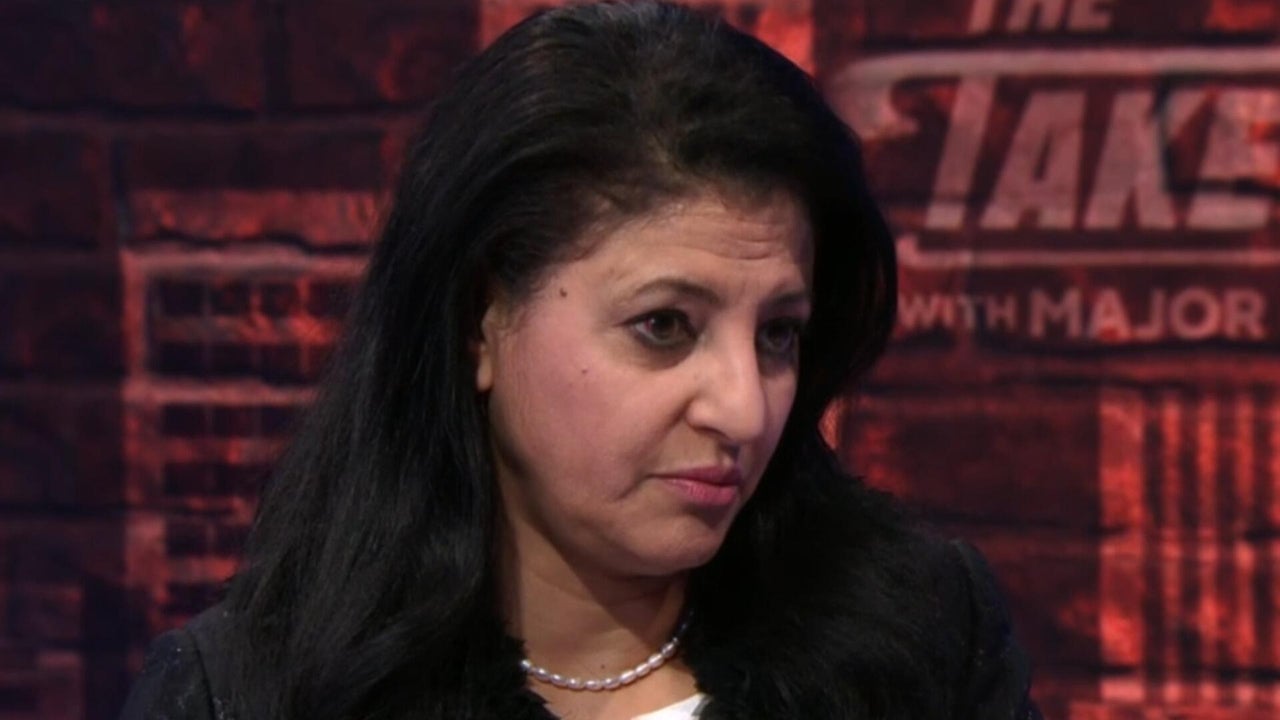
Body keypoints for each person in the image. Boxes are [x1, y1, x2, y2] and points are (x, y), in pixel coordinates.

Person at [119, 2, 1041, 719]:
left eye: (777, 335)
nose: (744, 409)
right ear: (480, 320)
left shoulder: (922, 646)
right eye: (665, 326)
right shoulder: (250, 694)